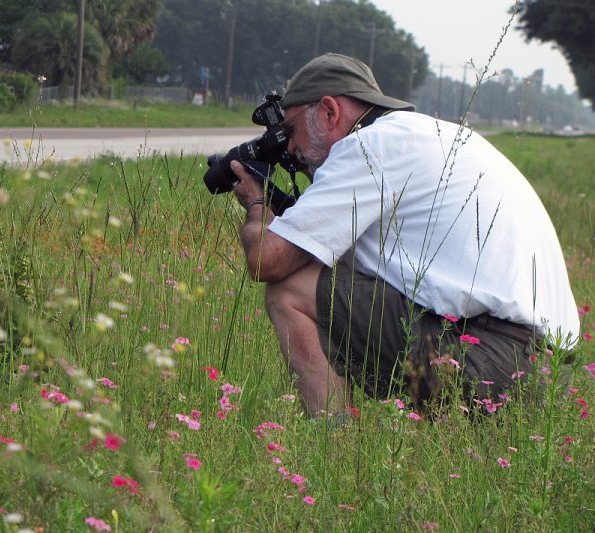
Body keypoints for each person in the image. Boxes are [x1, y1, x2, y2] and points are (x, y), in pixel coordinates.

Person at [229, 53, 579, 419]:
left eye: (292, 129)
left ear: (330, 112)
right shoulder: (435, 136)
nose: (288, 148)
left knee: (290, 289)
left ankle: (334, 445)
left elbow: (266, 260)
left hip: (486, 360)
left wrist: (257, 202)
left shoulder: (368, 146)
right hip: (549, 374)